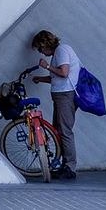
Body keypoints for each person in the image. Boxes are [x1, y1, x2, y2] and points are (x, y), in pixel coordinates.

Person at [32, 28, 81, 181]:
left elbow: (64, 73)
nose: (41, 52)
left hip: (65, 96)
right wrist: (41, 79)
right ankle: (64, 166)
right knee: (58, 129)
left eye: (40, 48)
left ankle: (70, 167)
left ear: (45, 44)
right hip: (61, 96)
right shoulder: (58, 53)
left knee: (64, 130)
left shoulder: (61, 50)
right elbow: (57, 76)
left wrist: (46, 66)